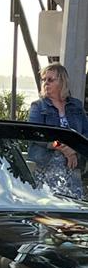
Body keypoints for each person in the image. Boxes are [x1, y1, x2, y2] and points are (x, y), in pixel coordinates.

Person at [28, 62, 87, 200]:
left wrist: (75, 149)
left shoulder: (76, 106)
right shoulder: (38, 106)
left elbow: (86, 133)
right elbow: (35, 134)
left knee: (74, 207)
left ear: (62, 82)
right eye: (44, 80)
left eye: (50, 79)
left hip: (73, 166)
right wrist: (62, 148)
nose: (45, 83)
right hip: (47, 165)